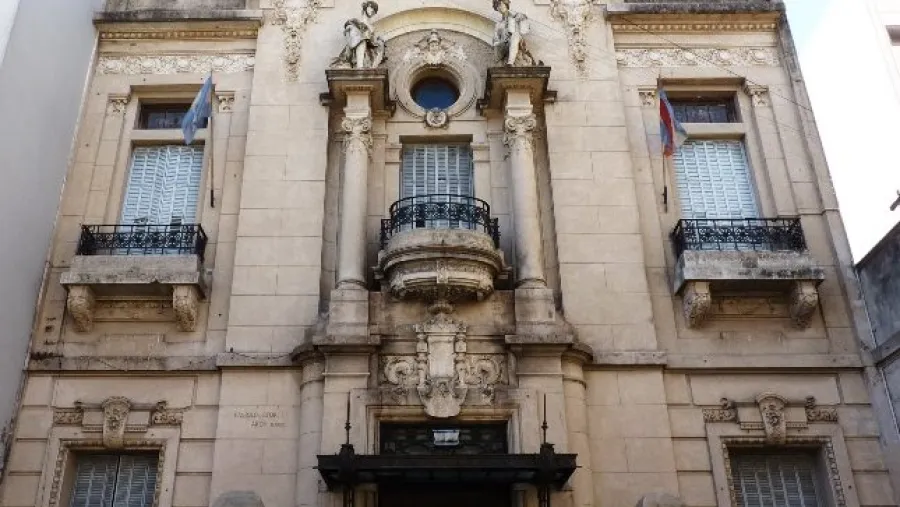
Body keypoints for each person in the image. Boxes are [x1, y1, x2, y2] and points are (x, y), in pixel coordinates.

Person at [332, 1, 386, 69]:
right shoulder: (355, 22)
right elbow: (349, 34)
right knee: (362, 41)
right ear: (366, 7)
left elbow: (372, 41)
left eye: (375, 10)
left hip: (367, 49)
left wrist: (377, 40)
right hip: (356, 46)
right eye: (371, 8)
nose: (373, 11)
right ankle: (359, 67)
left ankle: (363, 66)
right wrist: (351, 28)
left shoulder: (372, 27)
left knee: (379, 42)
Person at [492, 0, 536, 66]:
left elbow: (526, 29)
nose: (500, 7)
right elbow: (495, 42)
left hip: (517, 42)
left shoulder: (517, 16)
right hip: (505, 45)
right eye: (497, 6)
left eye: (501, 4)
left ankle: (510, 63)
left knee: (515, 35)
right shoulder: (498, 25)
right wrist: (503, 41)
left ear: (506, 4)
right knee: (514, 36)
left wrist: (523, 19)